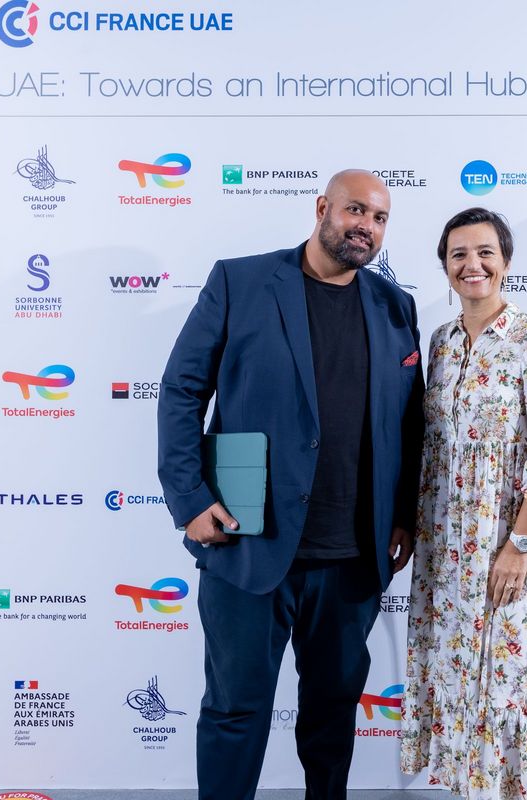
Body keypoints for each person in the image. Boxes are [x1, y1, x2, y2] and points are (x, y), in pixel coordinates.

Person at [157, 169, 424, 800]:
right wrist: (190, 499)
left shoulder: (395, 306)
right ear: (322, 207)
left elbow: (410, 421)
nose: (366, 227)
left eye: (380, 218)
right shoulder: (241, 281)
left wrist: (403, 514)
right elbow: (182, 390)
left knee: (332, 717)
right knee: (235, 711)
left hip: (352, 558)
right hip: (248, 543)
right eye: (355, 210)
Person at [401, 208, 527, 800]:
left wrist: (519, 546)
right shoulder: (441, 343)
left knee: (514, 676)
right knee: (458, 671)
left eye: (484, 253)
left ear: (505, 262)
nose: (471, 265)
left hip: (510, 540)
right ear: (445, 267)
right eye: (458, 254)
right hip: (447, 544)